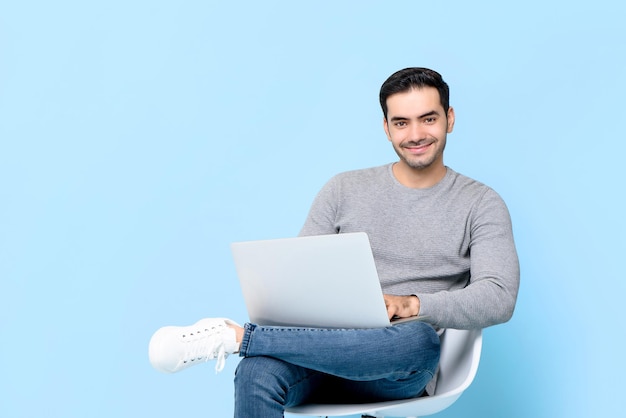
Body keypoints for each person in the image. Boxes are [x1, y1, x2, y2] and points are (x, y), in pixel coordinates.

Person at [148, 67, 520, 417]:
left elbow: (499, 296)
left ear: (449, 119)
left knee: (418, 340)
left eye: (428, 118)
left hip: (398, 367)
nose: (416, 134)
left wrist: (410, 305)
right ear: (386, 129)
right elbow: (298, 282)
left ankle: (237, 337)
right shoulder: (343, 189)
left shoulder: (481, 202)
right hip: (320, 356)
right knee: (256, 372)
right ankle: (247, 343)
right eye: (401, 123)